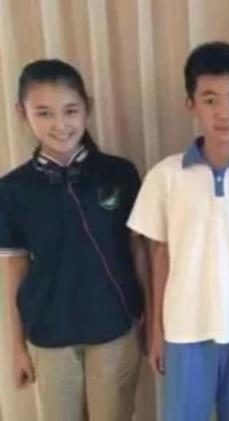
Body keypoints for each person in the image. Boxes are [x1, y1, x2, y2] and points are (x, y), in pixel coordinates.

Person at [127, 41, 229, 421]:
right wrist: (156, 330)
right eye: (210, 100)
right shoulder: (166, 176)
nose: (224, 113)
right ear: (191, 104)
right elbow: (158, 256)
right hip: (185, 330)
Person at [0, 59, 146, 421]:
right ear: (21, 113)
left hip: (114, 327)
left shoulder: (120, 174)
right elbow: (14, 268)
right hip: (49, 334)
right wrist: (16, 347)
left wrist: (149, 320)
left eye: (70, 111)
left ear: (87, 108)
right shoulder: (12, 189)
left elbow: (138, 252)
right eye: (44, 113)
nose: (60, 125)